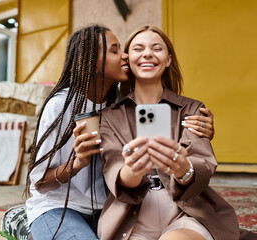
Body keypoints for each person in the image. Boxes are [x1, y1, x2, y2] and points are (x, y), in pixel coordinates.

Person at [24, 25, 215, 240]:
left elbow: (196, 153)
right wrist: (77, 164)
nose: (125, 56)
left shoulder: (116, 102)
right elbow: (39, 182)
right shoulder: (61, 106)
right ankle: (30, 225)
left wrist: (204, 134)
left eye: (123, 50)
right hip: (62, 206)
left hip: (103, 207)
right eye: (115, 51)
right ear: (90, 62)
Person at [97, 26, 257, 240]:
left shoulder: (193, 110)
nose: (147, 53)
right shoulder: (109, 117)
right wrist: (133, 169)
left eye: (156, 48)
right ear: (128, 59)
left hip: (185, 211)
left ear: (168, 59)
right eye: (139, 48)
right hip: (131, 215)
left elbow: (202, 164)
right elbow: (114, 170)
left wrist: (183, 169)